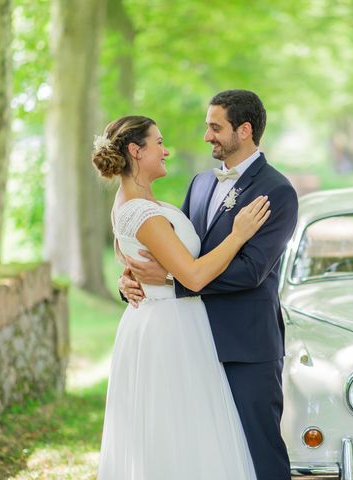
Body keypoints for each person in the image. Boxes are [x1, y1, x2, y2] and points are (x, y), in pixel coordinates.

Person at [119, 90, 298, 479]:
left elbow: (252, 271)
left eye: (215, 128)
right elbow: (176, 251)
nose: (207, 137)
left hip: (244, 347)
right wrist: (131, 279)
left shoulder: (277, 191)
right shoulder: (200, 183)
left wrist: (173, 283)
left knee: (259, 453)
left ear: (245, 130)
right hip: (189, 343)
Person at [93, 115, 271, 479]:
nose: (166, 150)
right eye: (158, 142)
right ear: (135, 150)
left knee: (182, 427)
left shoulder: (139, 203)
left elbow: (136, 260)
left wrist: (130, 278)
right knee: (179, 429)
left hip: (170, 320)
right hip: (169, 329)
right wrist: (238, 235)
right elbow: (193, 274)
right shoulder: (141, 212)